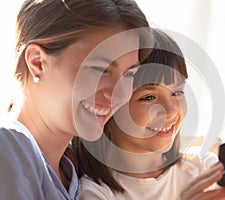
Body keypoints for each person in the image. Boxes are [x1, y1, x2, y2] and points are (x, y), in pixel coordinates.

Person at [75, 28, 225, 200]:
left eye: (177, 92)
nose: (172, 110)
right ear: (111, 106)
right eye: (149, 97)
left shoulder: (204, 170)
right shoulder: (97, 193)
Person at [0, 0, 150, 199]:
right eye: (100, 69)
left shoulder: (71, 174)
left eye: (129, 75)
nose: (120, 94)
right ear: (37, 62)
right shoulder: (8, 145)